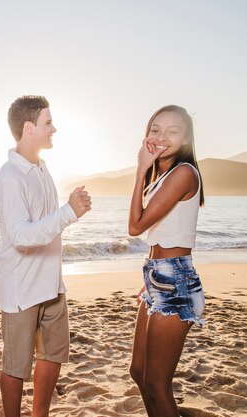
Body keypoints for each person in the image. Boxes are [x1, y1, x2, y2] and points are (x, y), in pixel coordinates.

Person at [0, 95, 91, 417]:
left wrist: (67, 209)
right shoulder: (10, 176)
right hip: (22, 290)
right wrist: (68, 212)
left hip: (52, 284)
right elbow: (20, 236)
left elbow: (45, 224)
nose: (54, 129)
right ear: (29, 127)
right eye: (49, 123)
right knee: (16, 367)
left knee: (52, 356)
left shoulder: (42, 168)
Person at [128, 105, 205, 417]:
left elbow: (136, 227)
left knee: (158, 386)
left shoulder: (184, 174)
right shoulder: (161, 177)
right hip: (156, 277)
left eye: (173, 132)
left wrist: (138, 169)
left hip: (175, 279)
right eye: (156, 129)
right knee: (139, 373)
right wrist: (147, 283)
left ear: (186, 140)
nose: (161, 137)